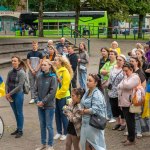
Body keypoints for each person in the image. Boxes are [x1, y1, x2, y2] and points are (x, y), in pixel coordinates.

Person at [34, 59, 57, 150]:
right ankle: (43, 144)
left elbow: (52, 93)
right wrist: (37, 100)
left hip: (49, 106)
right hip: (40, 105)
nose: (42, 66)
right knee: (42, 125)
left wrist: (43, 102)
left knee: (49, 125)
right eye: (42, 65)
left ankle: (50, 145)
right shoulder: (39, 76)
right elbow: (35, 90)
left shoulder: (53, 77)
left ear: (49, 66)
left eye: (44, 65)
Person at [80, 73, 107, 150]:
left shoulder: (97, 94)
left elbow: (95, 110)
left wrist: (84, 111)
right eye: (87, 80)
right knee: (85, 144)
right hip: (85, 122)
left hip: (93, 123)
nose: (87, 82)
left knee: (95, 145)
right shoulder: (88, 91)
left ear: (95, 83)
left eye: (90, 80)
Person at [118, 63, 139, 146]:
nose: (124, 73)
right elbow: (118, 86)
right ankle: (129, 137)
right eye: (123, 71)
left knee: (130, 122)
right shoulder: (127, 77)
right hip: (124, 103)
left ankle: (131, 139)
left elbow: (127, 86)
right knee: (128, 121)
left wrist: (124, 81)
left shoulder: (135, 77)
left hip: (130, 103)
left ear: (131, 69)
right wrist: (124, 82)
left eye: (126, 71)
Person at [5, 56, 27, 138]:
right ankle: (18, 128)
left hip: (18, 94)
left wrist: (9, 93)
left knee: (19, 112)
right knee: (15, 112)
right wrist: (6, 93)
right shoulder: (10, 72)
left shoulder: (22, 72)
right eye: (12, 61)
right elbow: (6, 83)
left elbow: (20, 86)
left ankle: (20, 130)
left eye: (15, 61)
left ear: (19, 62)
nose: (13, 62)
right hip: (10, 95)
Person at [54, 55, 73, 141]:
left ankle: (66, 132)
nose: (54, 62)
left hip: (63, 97)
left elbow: (65, 87)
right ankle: (59, 132)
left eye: (56, 60)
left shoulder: (65, 72)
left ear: (61, 62)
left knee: (63, 115)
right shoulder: (56, 71)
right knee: (57, 114)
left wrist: (57, 95)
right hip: (57, 96)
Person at [108, 55, 126, 131]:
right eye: (117, 59)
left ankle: (123, 123)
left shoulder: (125, 69)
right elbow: (110, 78)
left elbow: (126, 80)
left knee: (121, 108)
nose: (118, 61)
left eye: (120, 60)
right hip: (112, 91)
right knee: (114, 108)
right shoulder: (113, 68)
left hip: (121, 92)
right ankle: (118, 123)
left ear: (124, 61)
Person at [130, 56, 146, 138]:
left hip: (137, 97)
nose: (131, 62)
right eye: (130, 61)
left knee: (137, 115)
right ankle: (135, 130)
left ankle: (139, 131)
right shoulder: (131, 71)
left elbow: (143, 86)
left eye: (132, 61)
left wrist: (140, 96)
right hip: (132, 96)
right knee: (133, 114)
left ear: (137, 62)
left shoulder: (140, 72)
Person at [100, 50, 117, 122]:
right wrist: (107, 72)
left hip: (112, 85)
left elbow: (112, 74)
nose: (110, 55)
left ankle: (113, 116)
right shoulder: (107, 63)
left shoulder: (116, 64)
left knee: (112, 101)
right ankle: (108, 115)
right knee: (106, 100)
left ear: (115, 55)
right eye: (109, 54)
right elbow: (101, 71)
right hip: (105, 83)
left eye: (112, 54)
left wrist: (105, 72)